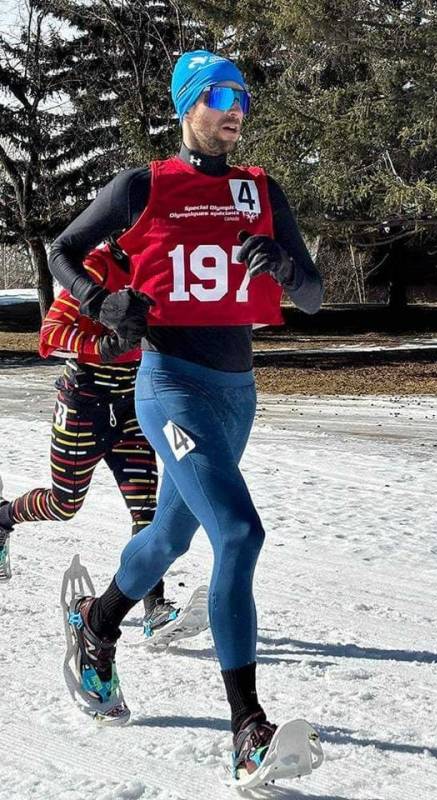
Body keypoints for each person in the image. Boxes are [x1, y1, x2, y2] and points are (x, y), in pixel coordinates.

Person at [49, 49, 323, 778]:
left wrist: (284, 266)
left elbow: (315, 293)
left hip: (237, 394)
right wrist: (102, 302)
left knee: (170, 535)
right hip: (169, 385)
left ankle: (97, 623)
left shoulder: (261, 190)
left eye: (243, 97)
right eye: (220, 96)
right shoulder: (142, 186)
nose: (236, 110)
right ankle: (248, 731)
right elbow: (63, 250)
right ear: (187, 105)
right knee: (239, 532)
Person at [0, 242, 179, 637]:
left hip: (132, 407)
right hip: (84, 406)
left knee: (146, 510)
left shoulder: (166, 266)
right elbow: (49, 335)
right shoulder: (98, 267)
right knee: (64, 504)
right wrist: (102, 346)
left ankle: (155, 607)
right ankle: (3, 516)